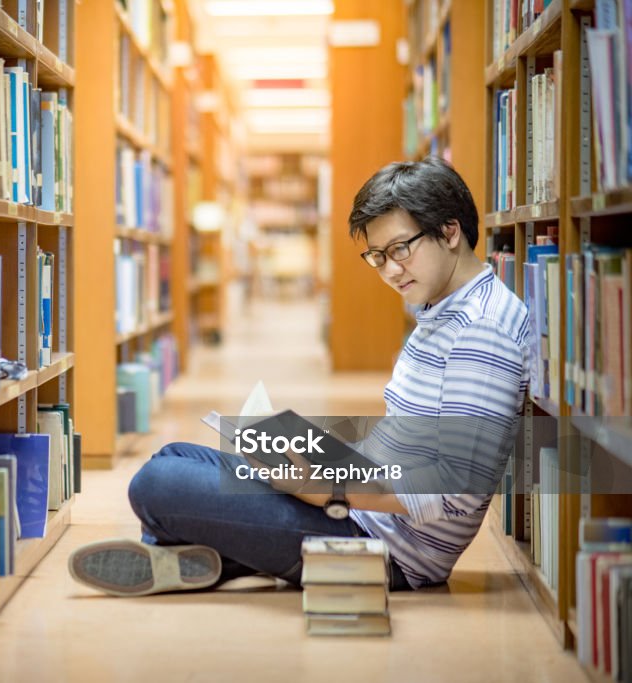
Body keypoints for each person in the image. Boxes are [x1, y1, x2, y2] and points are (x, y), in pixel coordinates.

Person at [68, 157, 532, 596]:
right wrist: (327, 455)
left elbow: (456, 488)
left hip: (384, 546)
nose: (390, 270)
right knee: (176, 456)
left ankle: (201, 554)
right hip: (360, 507)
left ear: (449, 231)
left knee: (158, 484)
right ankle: (212, 555)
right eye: (377, 256)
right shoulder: (443, 312)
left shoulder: (481, 333)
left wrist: (327, 487)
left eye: (400, 249)